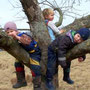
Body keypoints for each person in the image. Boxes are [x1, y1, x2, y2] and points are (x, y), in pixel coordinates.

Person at [4, 21, 41, 90]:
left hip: (34, 52)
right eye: (7, 32)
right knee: (17, 63)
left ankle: (37, 85)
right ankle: (21, 81)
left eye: (11, 31)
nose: (10, 33)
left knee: (35, 66)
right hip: (26, 52)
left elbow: (27, 43)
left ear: (16, 31)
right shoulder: (12, 39)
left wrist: (17, 37)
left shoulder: (22, 35)